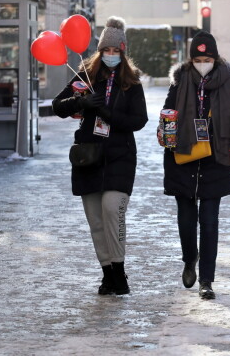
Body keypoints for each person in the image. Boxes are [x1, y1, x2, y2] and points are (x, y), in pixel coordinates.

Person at [52, 16, 148, 295]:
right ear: (99, 50)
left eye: (115, 51)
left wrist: (109, 113)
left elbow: (139, 120)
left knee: (112, 210)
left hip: (120, 157)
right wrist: (80, 102)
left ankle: (119, 270)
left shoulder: (131, 82)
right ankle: (107, 273)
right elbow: (58, 106)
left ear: (123, 51)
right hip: (89, 158)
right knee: (95, 220)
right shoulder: (85, 74)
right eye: (106, 50)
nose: (110, 55)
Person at [162, 31, 230, 300]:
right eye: (198, 58)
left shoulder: (227, 82)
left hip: (215, 158)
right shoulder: (180, 81)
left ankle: (206, 280)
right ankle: (190, 258)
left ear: (215, 58)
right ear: (190, 59)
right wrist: (165, 131)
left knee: (210, 222)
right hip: (183, 157)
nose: (203, 62)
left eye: (208, 58)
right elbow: (168, 114)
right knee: (186, 221)